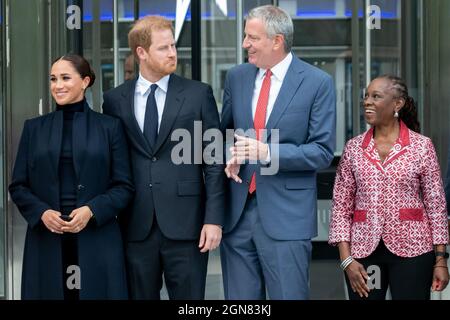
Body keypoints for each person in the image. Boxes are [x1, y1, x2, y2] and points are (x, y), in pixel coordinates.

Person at [102, 15, 225, 300]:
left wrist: (213, 220)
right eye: (163, 48)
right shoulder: (114, 100)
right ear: (141, 53)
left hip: (189, 226)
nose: (172, 53)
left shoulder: (198, 95)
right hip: (135, 225)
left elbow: (214, 162)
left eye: (173, 46)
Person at [220, 5, 336, 300]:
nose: (245, 44)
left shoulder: (317, 83)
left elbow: (322, 151)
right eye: (246, 36)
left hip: (287, 217)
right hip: (237, 215)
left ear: (277, 40)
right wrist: (230, 154)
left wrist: (266, 151)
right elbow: (224, 132)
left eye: (252, 37)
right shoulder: (237, 77)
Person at [9, 54, 134, 299]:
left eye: (66, 78)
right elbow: (19, 185)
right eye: (53, 79)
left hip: (97, 238)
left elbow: (124, 186)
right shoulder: (33, 128)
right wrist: (42, 213)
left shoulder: (110, 127)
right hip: (46, 238)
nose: (58, 85)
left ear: (85, 81)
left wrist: (92, 210)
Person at [329, 75, 449, 300]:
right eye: (366, 96)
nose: (367, 101)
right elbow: (341, 208)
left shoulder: (422, 146)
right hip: (364, 255)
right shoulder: (354, 148)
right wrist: (347, 262)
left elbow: (436, 206)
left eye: (376, 96)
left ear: (397, 104)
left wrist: (441, 259)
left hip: (413, 251)